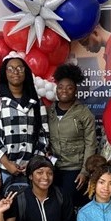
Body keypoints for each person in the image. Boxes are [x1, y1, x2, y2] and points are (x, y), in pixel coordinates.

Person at [0, 53, 49, 181]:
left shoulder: (36, 100)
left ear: (26, 72)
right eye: (10, 69)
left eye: (20, 68)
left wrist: (33, 162)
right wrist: (7, 164)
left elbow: (44, 134)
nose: (16, 72)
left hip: (31, 167)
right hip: (4, 167)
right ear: (4, 73)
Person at [46, 64, 96, 209]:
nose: (64, 91)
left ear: (76, 90)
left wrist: (85, 172)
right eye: (60, 87)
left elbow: (91, 144)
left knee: (70, 207)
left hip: (75, 170)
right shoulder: (49, 111)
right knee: (55, 206)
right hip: (53, 169)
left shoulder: (83, 113)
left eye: (69, 87)